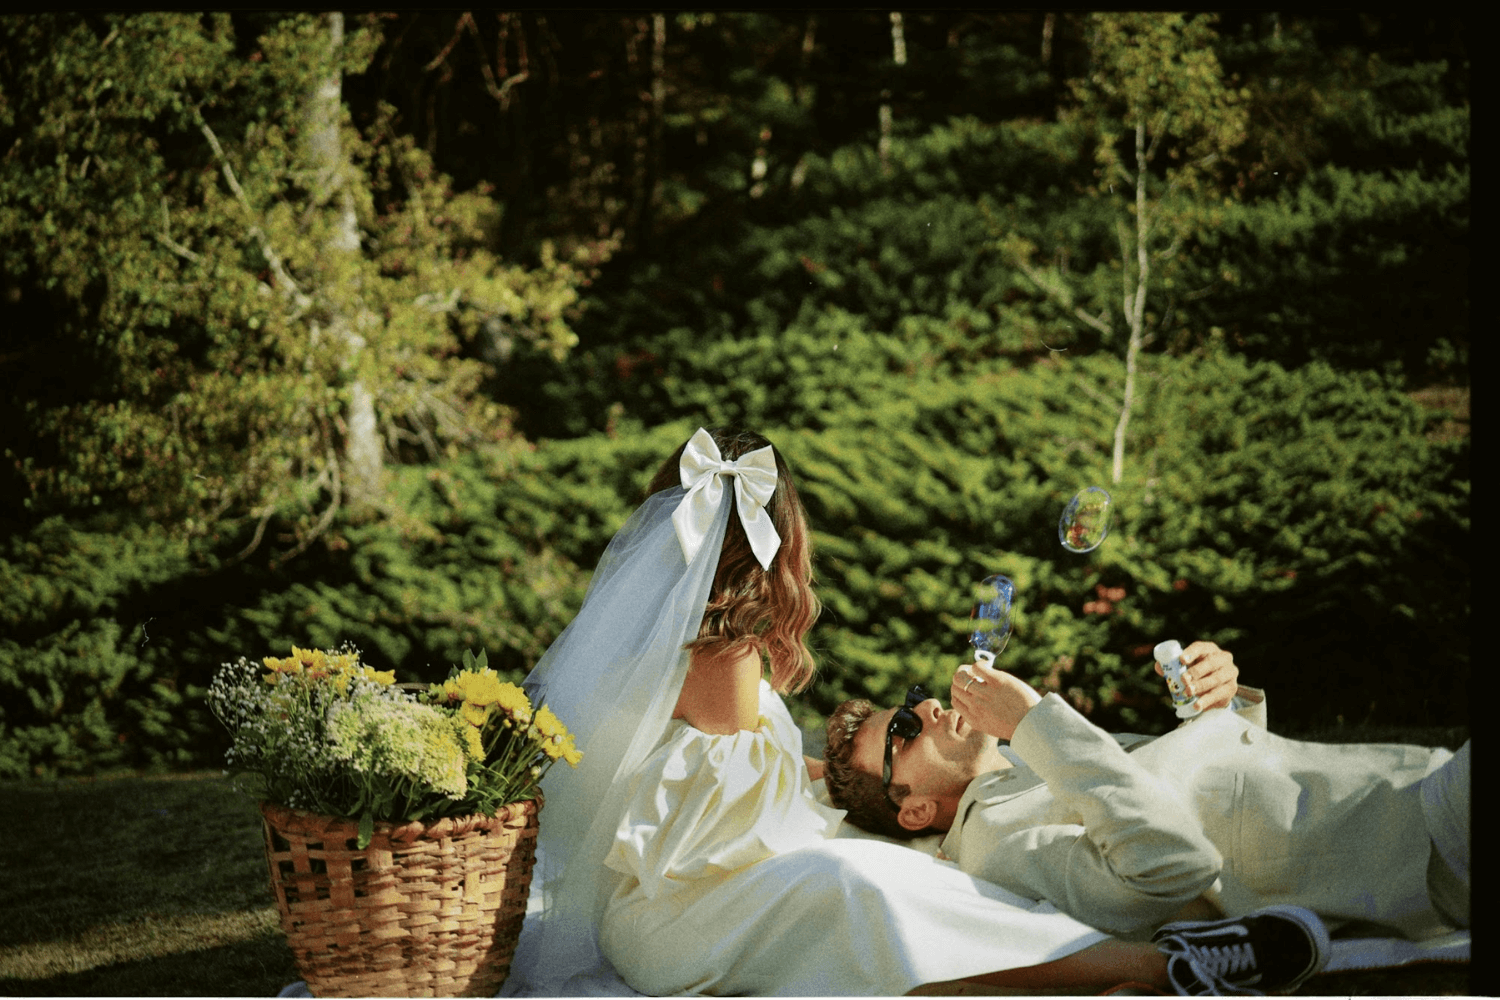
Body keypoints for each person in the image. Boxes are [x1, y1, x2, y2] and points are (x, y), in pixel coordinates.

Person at [502, 428, 1330, 997]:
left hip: (693, 904)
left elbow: (752, 785)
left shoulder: (665, 645)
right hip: (679, 921)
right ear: (776, 547)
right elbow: (749, 798)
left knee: (880, 882)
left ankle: (1133, 975)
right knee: (860, 883)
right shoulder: (722, 653)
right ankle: (1157, 969)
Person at [823, 644, 1470, 951]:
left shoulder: (1022, 768)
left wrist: (1223, 708)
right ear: (913, 811)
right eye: (902, 732)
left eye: (909, 701)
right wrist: (1032, 721)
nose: (927, 706)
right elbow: (1177, 863)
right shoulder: (995, 839)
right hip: (1414, 839)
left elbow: (1212, 794)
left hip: (1403, 795)